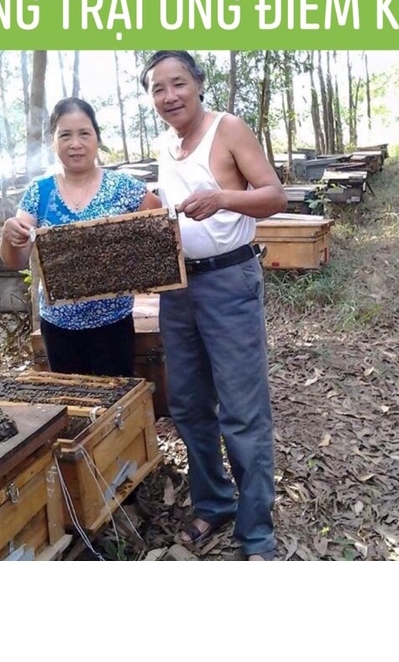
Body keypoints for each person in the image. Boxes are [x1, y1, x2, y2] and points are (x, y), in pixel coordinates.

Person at [140, 50, 287, 561]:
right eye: (158, 89)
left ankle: (257, 532)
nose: (169, 96)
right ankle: (214, 501)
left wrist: (222, 197)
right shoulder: (165, 145)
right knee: (188, 403)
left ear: (198, 84)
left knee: (242, 411)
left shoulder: (229, 129)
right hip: (177, 286)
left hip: (229, 282)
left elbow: (274, 196)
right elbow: (174, 212)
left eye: (178, 83)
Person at [0, 96, 161, 377]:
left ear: (97, 138)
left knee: (115, 400)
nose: (75, 144)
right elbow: (16, 259)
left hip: (113, 324)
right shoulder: (39, 191)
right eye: (65, 135)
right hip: (58, 328)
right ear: (53, 141)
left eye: (84, 133)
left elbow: (158, 227)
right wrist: (8, 235)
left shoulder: (123, 187)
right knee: (72, 399)